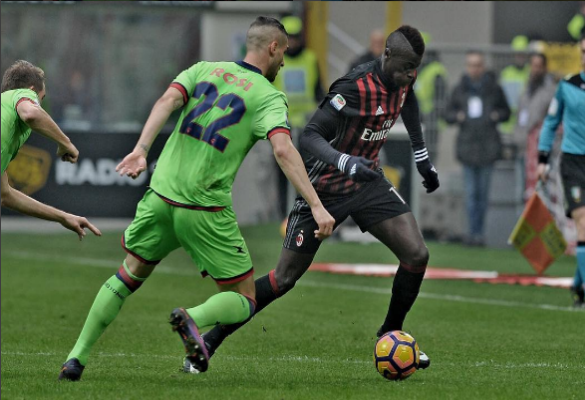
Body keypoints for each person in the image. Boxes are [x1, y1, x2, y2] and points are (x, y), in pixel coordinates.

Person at [58, 16, 335, 381]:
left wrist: (141, 150)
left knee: (128, 274)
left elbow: (167, 100)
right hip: (204, 207)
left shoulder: (204, 69)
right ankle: (193, 318)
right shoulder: (268, 96)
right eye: (283, 52)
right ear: (273, 48)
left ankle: (75, 359)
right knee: (245, 300)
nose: (284, 61)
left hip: (161, 195)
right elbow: (283, 150)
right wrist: (316, 205)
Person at [200, 25, 439, 371]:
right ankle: (210, 340)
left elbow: (408, 98)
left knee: (416, 255)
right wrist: (345, 162)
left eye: (415, 69)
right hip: (324, 187)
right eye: (405, 68)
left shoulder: (404, 78)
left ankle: (391, 333)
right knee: (283, 279)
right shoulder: (354, 87)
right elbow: (310, 136)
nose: (411, 76)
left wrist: (421, 155)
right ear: (386, 55)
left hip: (368, 183)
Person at [1, 60, 101, 240]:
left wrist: (63, 217)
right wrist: (66, 143)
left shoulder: (5, 115)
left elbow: (5, 195)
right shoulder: (22, 94)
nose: (38, 103)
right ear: (32, 91)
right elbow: (32, 114)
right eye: (41, 98)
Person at [537, 31, 585, 310]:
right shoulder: (567, 86)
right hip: (574, 163)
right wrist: (543, 159)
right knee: (584, 222)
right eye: (584, 52)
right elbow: (551, 123)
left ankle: (577, 285)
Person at [445, 51, 510, 246]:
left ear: (483, 67)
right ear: (467, 67)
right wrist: (458, 116)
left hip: (488, 147)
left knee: (483, 194)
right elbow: (447, 114)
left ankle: (479, 233)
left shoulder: (494, 89)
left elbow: (506, 112)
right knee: (471, 194)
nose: (475, 69)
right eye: (471, 65)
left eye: (478, 65)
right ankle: (472, 232)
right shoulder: (459, 89)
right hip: (467, 147)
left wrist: (496, 116)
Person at [273, 16, 325, 218]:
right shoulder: (275, 59)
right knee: (282, 170)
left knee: (306, 169)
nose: (292, 42)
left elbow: (319, 91)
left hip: (306, 125)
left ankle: (304, 209)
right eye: (289, 38)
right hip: (281, 124)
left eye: (295, 37)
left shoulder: (310, 59)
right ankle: (282, 214)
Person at [513, 53, 557, 201]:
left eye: (539, 66)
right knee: (522, 192)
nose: (535, 69)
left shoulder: (551, 92)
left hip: (542, 152)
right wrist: (517, 137)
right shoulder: (526, 90)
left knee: (542, 194)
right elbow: (519, 117)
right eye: (533, 65)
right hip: (523, 148)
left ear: (544, 68)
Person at [414, 32, 446, 163]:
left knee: (427, 155)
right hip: (414, 117)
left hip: (430, 120)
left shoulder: (435, 70)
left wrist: (432, 115)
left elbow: (440, 98)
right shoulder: (413, 68)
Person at [500, 35, 530, 136]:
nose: (520, 57)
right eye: (518, 54)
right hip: (508, 124)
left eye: (522, 54)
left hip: (525, 123)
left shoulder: (530, 73)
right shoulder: (506, 73)